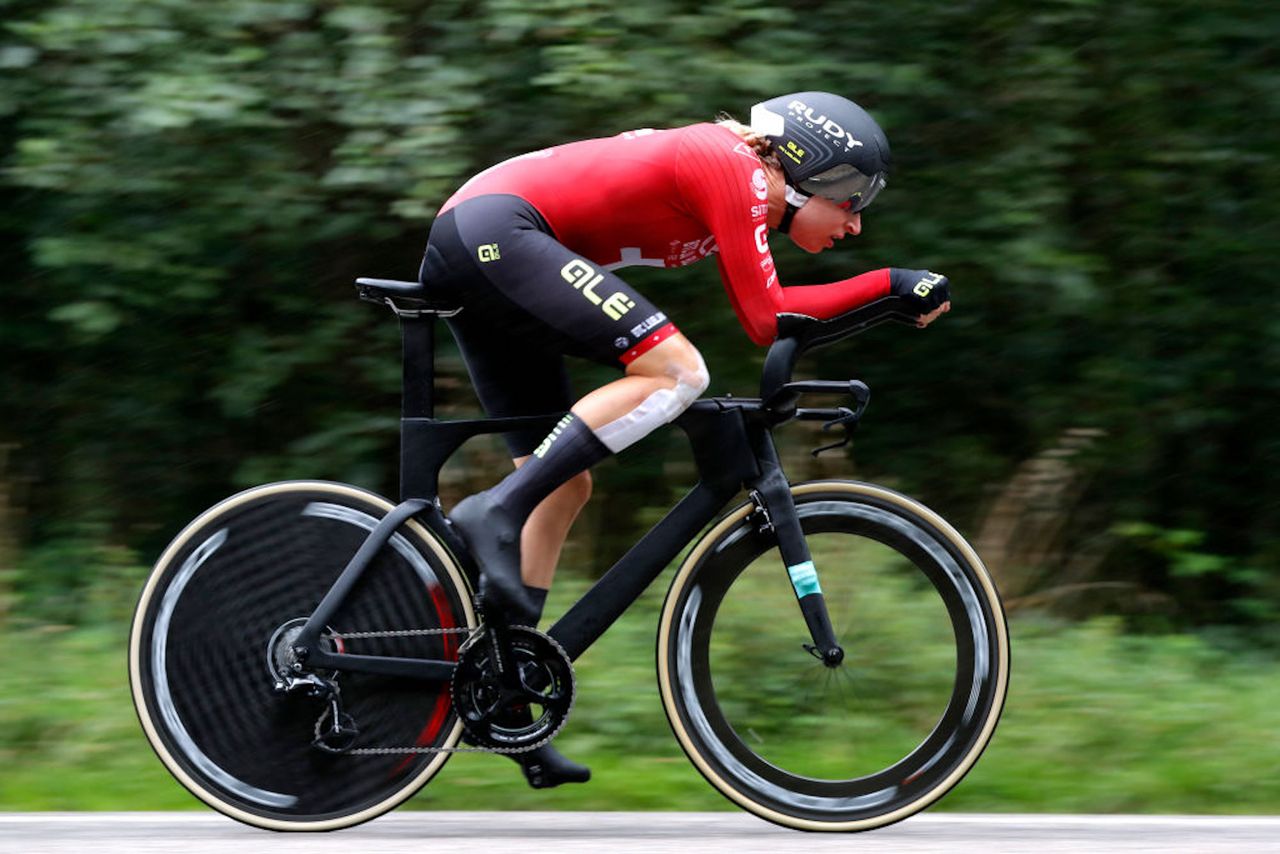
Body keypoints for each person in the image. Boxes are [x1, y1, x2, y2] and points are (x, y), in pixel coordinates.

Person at [419, 91, 951, 788]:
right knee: (678, 370)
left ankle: (509, 695)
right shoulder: (729, 165)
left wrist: (884, 302)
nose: (854, 224)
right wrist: (888, 283)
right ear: (807, 166)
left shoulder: (738, 182)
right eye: (853, 199)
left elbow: (779, 315)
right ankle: (495, 509)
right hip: (496, 231)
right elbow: (767, 318)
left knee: (565, 484)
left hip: (491, 241)